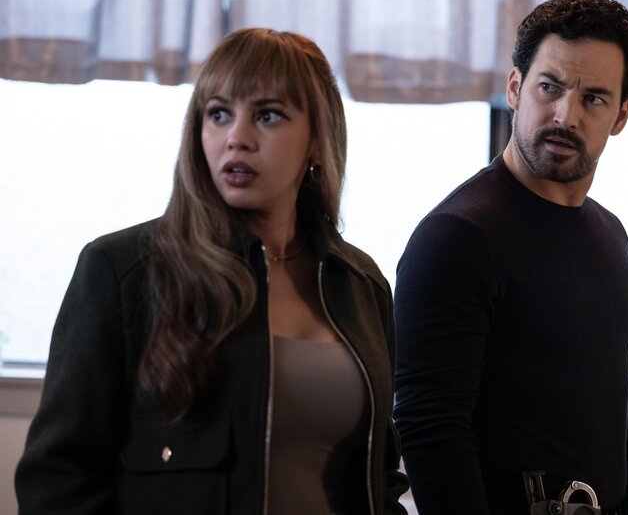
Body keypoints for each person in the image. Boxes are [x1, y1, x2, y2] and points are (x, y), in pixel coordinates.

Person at [16, 28, 408, 515]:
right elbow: (56, 480)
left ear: (316, 139)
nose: (237, 139)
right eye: (219, 114)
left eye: (267, 115)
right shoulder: (123, 272)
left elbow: (380, 478)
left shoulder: (360, 284)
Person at [393, 0, 628, 515]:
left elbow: (617, 385)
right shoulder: (457, 237)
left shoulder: (610, 234)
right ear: (515, 88)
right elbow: (430, 428)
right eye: (550, 86)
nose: (566, 115)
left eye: (594, 99)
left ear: (621, 115)